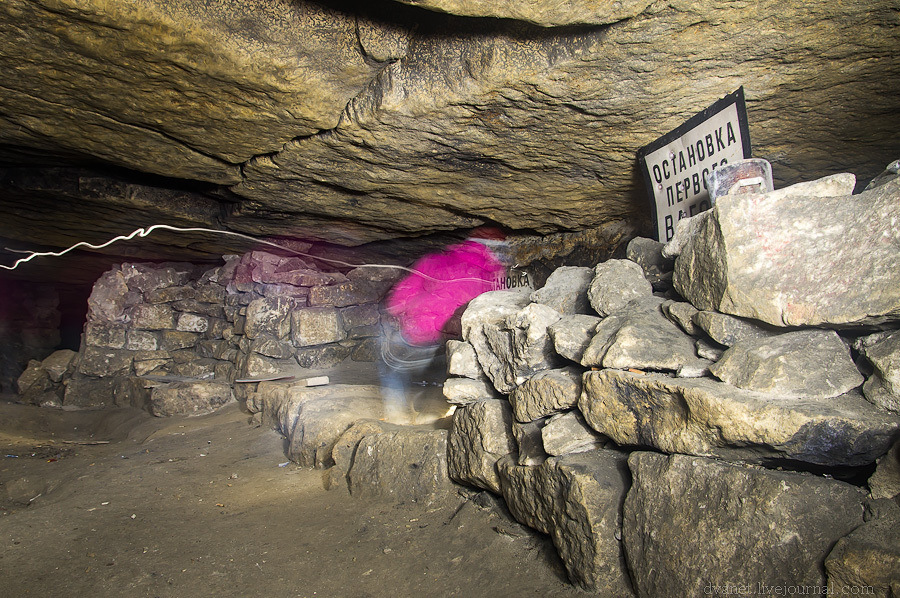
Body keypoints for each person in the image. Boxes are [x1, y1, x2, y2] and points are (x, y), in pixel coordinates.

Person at [379, 227, 506, 423]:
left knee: (390, 366)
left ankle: (397, 415)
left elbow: (398, 298)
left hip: (417, 334)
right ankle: (430, 415)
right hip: (453, 340)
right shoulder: (494, 272)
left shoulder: (434, 261)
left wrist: (401, 314)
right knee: (446, 374)